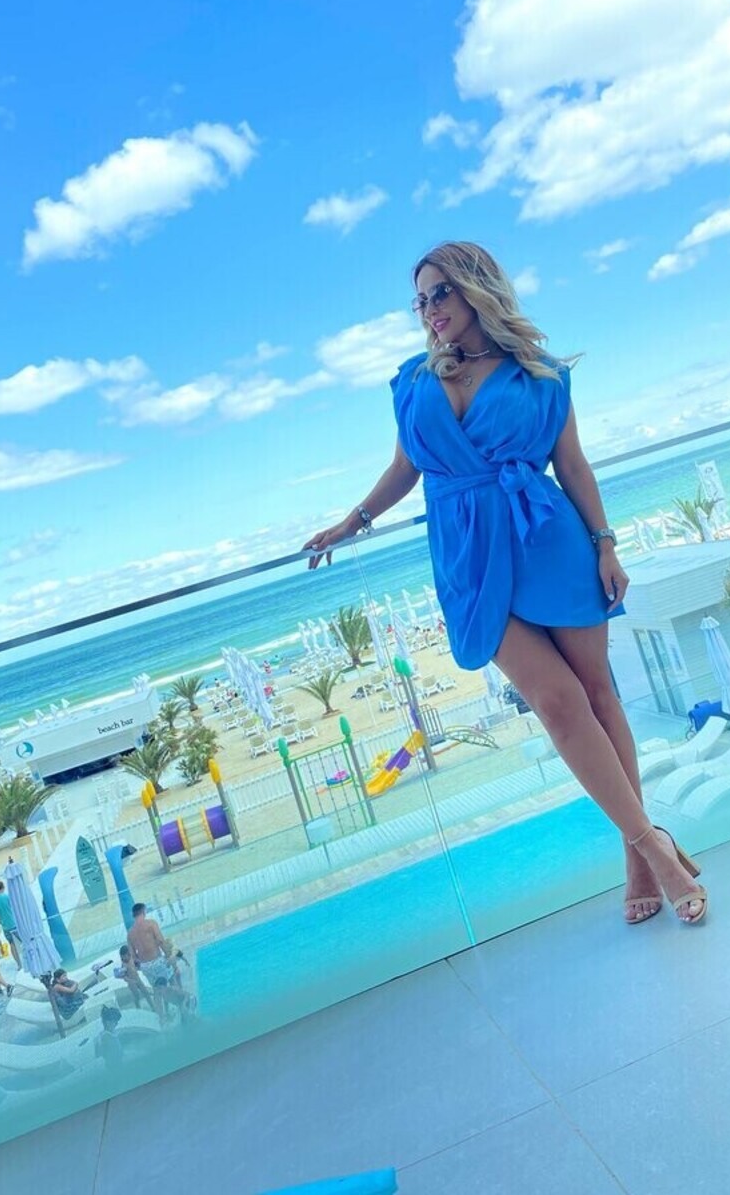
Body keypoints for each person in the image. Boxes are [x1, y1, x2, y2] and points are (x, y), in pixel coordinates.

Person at [303, 242, 707, 926]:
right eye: (420, 300)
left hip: (549, 540)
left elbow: (572, 466)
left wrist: (606, 544)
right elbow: (406, 467)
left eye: (440, 292)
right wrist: (354, 520)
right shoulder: (414, 381)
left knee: (598, 695)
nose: (429, 310)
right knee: (555, 701)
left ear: (476, 288)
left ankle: (639, 857)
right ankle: (654, 842)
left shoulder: (541, 374)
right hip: (468, 557)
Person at [0, 878, 22, 969]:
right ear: (3, 887)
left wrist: (1, 922)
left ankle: (19, 964)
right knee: (23, 941)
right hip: (15, 923)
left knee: (12, 944)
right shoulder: (7, 897)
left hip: (5, 926)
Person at [114, 943, 154, 1009]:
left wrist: (139, 966)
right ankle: (138, 1007)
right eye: (125, 956)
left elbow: (137, 966)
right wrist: (130, 980)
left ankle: (152, 1006)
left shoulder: (131, 958)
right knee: (136, 996)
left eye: (128, 954)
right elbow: (124, 977)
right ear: (122, 956)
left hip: (137, 978)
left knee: (146, 992)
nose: (127, 956)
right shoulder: (124, 965)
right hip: (131, 982)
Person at [95, 1005, 124, 1070]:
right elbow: (106, 1054)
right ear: (108, 1023)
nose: (117, 1024)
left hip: (116, 1064)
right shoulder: (106, 1038)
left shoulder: (110, 1034)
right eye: (115, 1022)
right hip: (115, 1067)